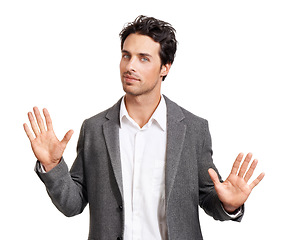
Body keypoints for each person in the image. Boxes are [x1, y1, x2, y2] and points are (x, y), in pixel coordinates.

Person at [23, 15, 265, 240]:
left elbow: (208, 197)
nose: (130, 66)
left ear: (165, 67)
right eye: (126, 55)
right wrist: (53, 166)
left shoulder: (193, 129)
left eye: (144, 58)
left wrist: (230, 205)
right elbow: (72, 204)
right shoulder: (95, 129)